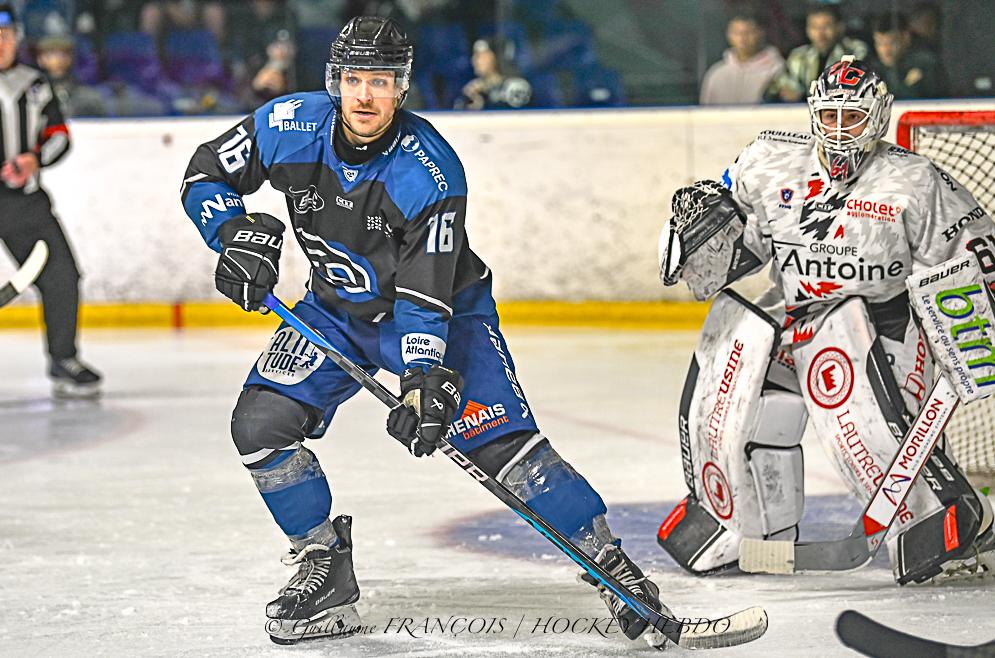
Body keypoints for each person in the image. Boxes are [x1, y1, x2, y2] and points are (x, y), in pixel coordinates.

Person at [180, 16, 668, 646]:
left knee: (506, 451)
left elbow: (423, 294)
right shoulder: (286, 125)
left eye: (379, 82)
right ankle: (322, 561)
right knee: (259, 426)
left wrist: (422, 378)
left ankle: (610, 566)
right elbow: (204, 171)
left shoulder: (428, 170)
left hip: (443, 317)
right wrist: (231, 236)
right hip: (335, 312)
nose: (363, 97)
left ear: (401, 88)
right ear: (334, 81)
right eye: (352, 79)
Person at [656, 56, 995, 586]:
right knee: (730, 410)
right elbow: (739, 240)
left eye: (852, 118)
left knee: (870, 434)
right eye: (830, 116)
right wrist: (703, 231)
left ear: (878, 118)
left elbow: (976, 253)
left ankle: (934, 521)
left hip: (882, 326)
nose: (839, 132)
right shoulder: (767, 160)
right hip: (790, 317)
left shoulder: (916, 179)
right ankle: (739, 524)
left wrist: (975, 319)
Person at [0, 4, 101, 398]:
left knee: (61, 275)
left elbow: (59, 133)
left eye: (7, 35)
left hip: (24, 202)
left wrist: (33, 159)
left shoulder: (35, 84)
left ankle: (63, 358)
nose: (1, 43)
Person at [765, 5, 867, 103]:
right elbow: (779, 87)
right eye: (814, 27)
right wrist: (786, 92)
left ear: (839, 27)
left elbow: (851, 90)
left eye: (826, 26)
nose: (820, 33)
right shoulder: (799, 56)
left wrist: (804, 96)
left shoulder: (854, 50)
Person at [700, 13, 784, 105]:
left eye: (748, 32)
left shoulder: (777, 71)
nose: (742, 38)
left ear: (761, 33)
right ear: (728, 35)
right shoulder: (716, 74)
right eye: (736, 33)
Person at [868, 12, 946, 100]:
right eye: (880, 43)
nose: (886, 50)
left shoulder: (925, 64)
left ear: (906, 38)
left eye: (892, 42)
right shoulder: (873, 70)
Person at [454, 37, 531, 110]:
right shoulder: (474, 88)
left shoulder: (516, 86)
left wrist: (486, 102)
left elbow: (516, 117)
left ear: (497, 58)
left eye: (482, 56)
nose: (475, 60)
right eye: (475, 55)